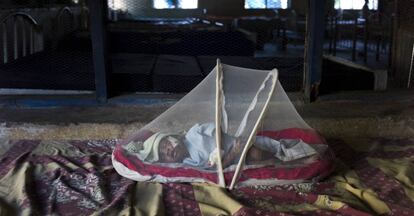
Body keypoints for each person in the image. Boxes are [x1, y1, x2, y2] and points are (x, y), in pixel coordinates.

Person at [124, 123, 318, 169]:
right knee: (254, 159)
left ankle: (295, 157)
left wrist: (223, 148)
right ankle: (285, 162)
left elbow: (216, 129)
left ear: (175, 138)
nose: (168, 150)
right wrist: (229, 155)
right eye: (164, 154)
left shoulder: (194, 133)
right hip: (234, 158)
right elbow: (217, 167)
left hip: (240, 143)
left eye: (165, 144)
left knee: (258, 151)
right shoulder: (190, 161)